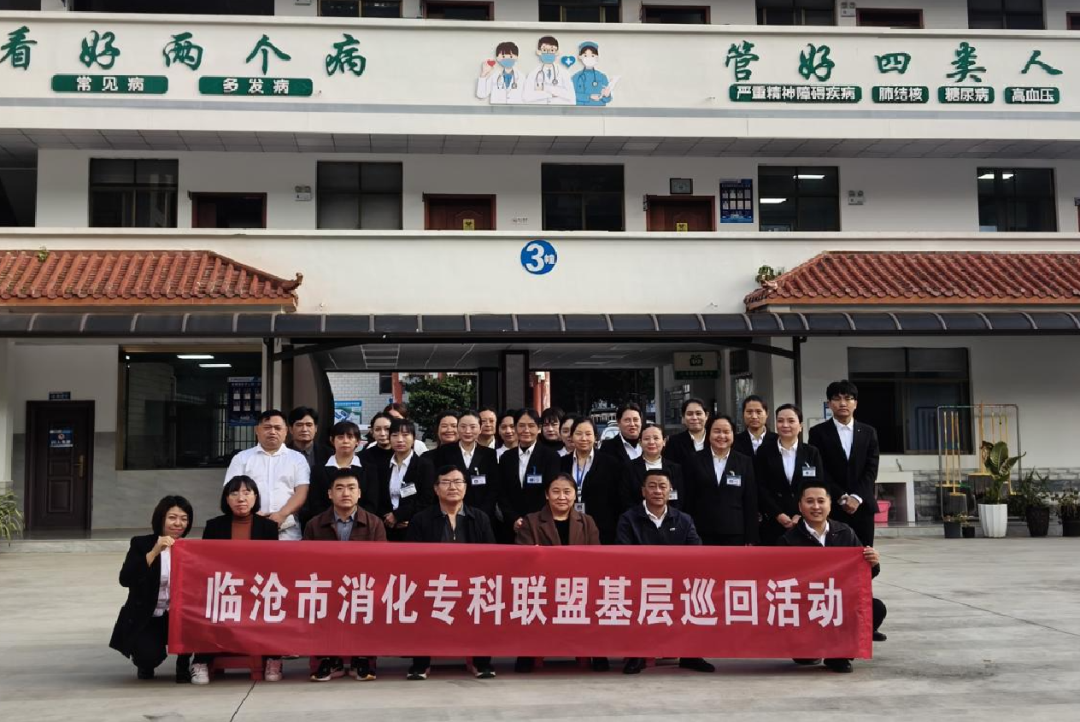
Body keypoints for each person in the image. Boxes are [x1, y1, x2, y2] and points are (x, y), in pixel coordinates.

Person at [777, 480, 888, 672]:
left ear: (829, 504)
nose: (816, 506)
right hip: (806, 606)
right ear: (800, 506)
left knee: (876, 608)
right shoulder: (788, 540)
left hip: (840, 602)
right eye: (810, 501)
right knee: (805, 657)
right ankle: (811, 647)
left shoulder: (845, 532)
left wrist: (873, 562)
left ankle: (839, 654)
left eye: (821, 501)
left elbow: (864, 575)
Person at [616, 471, 712, 676]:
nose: (657, 491)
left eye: (662, 486)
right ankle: (637, 655)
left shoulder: (683, 519)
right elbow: (623, 553)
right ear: (643, 491)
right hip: (640, 582)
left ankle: (690, 655)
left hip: (677, 581)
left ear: (670, 491)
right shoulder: (628, 518)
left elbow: (696, 552)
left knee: (696, 596)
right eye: (652, 486)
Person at [406, 466, 497, 680]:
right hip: (432, 583)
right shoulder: (421, 519)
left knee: (484, 599)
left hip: (472, 582)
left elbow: (492, 555)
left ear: (466, 487)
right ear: (436, 489)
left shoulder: (480, 518)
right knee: (419, 600)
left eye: (458, 482)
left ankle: (481, 661)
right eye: (446, 482)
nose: (452, 487)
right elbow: (411, 558)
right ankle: (420, 663)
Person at [191, 477, 279, 685]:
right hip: (225, 588)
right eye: (234, 493)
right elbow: (206, 563)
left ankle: (273, 659)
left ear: (255, 497)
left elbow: (274, 564)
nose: (241, 498)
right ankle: (201, 661)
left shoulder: (268, 527)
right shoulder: (214, 526)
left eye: (247, 493)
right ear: (226, 499)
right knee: (206, 606)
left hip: (257, 589)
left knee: (275, 603)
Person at [514, 473, 604, 674]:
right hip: (542, 585)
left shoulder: (587, 521)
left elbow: (596, 557)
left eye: (567, 492)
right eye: (556, 492)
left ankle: (596, 651)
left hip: (579, 584)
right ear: (547, 495)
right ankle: (527, 652)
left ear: (575, 495)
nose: (562, 497)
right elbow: (522, 556)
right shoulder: (531, 521)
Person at [304, 468, 386, 682]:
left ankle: (363, 658)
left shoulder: (374, 523)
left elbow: (382, 563)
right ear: (330, 494)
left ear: (359, 493)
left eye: (351, 488)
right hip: (326, 586)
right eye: (339, 488)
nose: (346, 493)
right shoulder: (314, 524)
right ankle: (328, 659)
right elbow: (306, 563)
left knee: (368, 601)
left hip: (363, 586)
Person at [109, 495, 194, 683]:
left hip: (178, 615)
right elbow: (126, 579)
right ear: (161, 518)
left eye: (184, 518)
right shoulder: (141, 544)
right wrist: (155, 552)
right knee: (148, 656)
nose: (178, 523)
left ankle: (183, 663)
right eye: (172, 517)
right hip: (149, 615)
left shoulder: (190, 548)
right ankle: (145, 663)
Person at [808, 380, 880, 547]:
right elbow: (820, 469)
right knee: (833, 555)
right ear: (829, 404)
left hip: (862, 506)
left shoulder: (869, 432)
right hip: (832, 506)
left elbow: (871, 469)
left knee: (863, 554)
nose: (842, 403)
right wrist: (841, 497)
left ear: (855, 403)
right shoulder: (818, 432)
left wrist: (856, 497)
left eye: (848, 398)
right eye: (837, 399)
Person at [224, 409, 310, 541]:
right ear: (257, 430)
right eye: (267, 427)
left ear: (286, 431)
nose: (272, 432)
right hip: (250, 526)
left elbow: (301, 492)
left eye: (277, 428)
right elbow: (230, 491)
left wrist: (281, 515)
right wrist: (255, 516)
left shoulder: (297, 459)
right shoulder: (241, 458)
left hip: (288, 530)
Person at [755, 404, 825, 546]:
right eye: (780, 421)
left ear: (801, 426)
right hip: (773, 521)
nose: (785, 425)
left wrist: (801, 514)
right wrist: (777, 514)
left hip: (805, 520)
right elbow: (760, 486)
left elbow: (818, 486)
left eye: (791, 421)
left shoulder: (811, 452)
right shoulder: (764, 451)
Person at [687, 414, 759, 546]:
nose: (721, 436)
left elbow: (750, 501)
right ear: (709, 433)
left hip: (735, 532)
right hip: (701, 531)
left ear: (733, 435)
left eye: (726, 432)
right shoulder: (694, 460)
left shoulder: (744, 462)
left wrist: (751, 537)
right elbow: (688, 499)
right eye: (717, 431)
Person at [498, 408, 562, 541]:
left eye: (531, 426)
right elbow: (502, 493)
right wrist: (513, 519)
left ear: (539, 429)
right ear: (516, 428)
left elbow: (551, 491)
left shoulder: (551, 457)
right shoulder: (506, 458)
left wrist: (533, 520)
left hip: (541, 525)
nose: (526, 430)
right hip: (512, 526)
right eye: (521, 425)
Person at [559, 417, 623, 544]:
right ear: (571, 436)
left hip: (602, 528)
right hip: (568, 527)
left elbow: (617, 500)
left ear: (595, 437)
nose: (583, 438)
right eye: (578, 434)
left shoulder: (611, 464)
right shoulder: (561, 463)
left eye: (588, 434)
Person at [302, 420, 375, 531]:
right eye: (340, 437)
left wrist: (355, 521)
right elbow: (315, 502)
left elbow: (372, 503)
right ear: (332, 440)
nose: (345, 441)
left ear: (358, 442)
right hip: (325, 527)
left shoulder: (369, 469)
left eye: (350, 437)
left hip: (361, 527)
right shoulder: (318, 470)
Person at [432, 410, 500, 520]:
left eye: (473, 427)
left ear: (480, 429)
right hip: (450, 515)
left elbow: (493, 487)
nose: (467, 431)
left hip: (482, 515)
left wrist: (482, 515)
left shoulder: (489, 454)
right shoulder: (444, 452)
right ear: (457, 428)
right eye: (463, 426)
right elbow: (439, 484)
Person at [376, 418, 435, 541]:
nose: (400, 440)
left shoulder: (424, 465)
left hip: (414, 526)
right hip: (385, 527)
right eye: (395, 435)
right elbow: (377, 496)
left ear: (413, 438)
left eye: (405, 435)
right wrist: (387, 518)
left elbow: (426, 499)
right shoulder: (382, 465)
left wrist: (399, 516)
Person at [621, 424, 685, 511]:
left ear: (664, 441)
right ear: (640, 442)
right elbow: (626, 500)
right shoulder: (629, 468)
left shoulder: (675, 469)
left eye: (656, 438)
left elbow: (679, 500)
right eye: (647, 439)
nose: (651, 442)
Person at [523, 35, 575, 105]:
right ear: (539, 52)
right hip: (540, 110)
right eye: (544, 50)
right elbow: (526, 96)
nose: (548, 53)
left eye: (552, 50)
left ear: (557, 52)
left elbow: (571, 96)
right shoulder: (533, 74)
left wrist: (546, 89)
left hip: (559, 110)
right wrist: (550, 94)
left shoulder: (564, 73)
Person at [663, 398, 709, 469]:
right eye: (689, 414)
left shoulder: (716, 439)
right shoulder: (674, 442)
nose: (694, 417)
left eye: (698, 413)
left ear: (706, 416)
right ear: (683, 418)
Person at [477, 41, 524, 105]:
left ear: (517, 57)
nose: (507, 59)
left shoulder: (521, 77)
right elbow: (481, 95)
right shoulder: (495, 76)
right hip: (497, 110)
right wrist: (483, 74)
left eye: (511, 56)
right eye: (503, 56)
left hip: (516, 110)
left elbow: (527, 97)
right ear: (497, 58)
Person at [572, 41, 613, 107]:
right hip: (580, 111)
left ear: (597, 57)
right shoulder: (576, 77)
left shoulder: (602, 76)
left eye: (592, 56)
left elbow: (608, 99)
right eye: (585, 56)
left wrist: (607, 95)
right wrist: (589, 96)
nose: (589, 58)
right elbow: (571, 95)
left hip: (599, 111)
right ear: (580, 57)